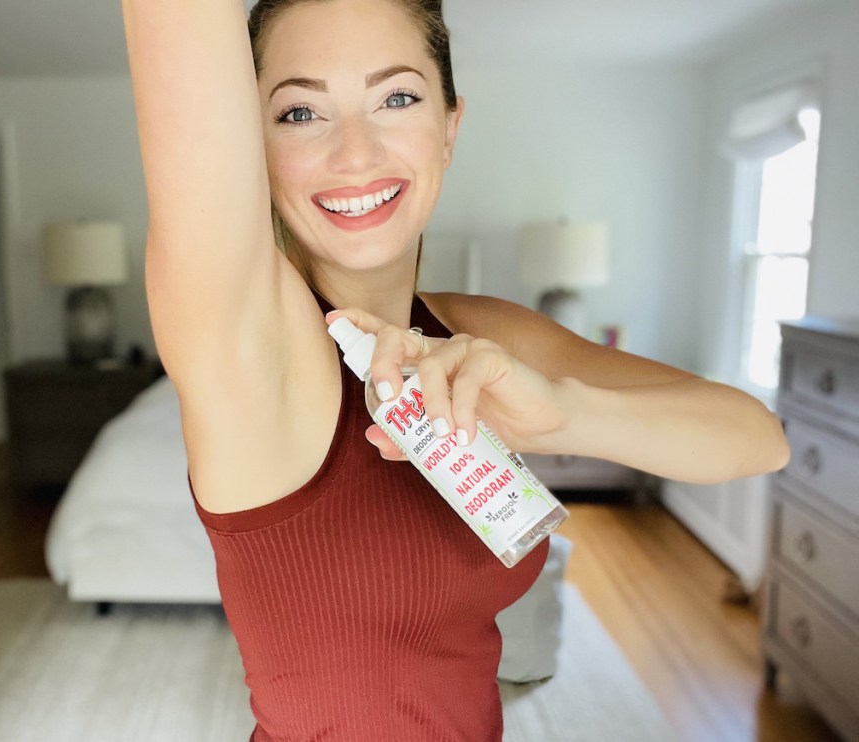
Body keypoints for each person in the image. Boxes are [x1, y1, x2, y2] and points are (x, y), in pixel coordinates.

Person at [121, 0, 790, 739]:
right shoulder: (247, 341)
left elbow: (758, 437)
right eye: (300, 113)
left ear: (449, 127)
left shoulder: (474, 334)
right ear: (252, 143)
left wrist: (562, 413)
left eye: (397, 98)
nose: (354, 153)